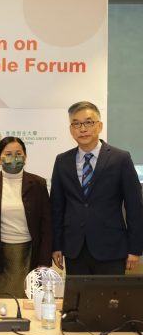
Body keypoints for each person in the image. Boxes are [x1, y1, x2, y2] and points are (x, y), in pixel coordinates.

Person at [51, 101, 143, 275]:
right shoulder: (62, 161)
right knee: (78, 301)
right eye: (76, 124)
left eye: (88, 122)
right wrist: (57, 245)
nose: (82, 129)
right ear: (71, 129)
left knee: (110, 302)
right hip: (74, 248)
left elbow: (134, 206)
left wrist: (135, 248)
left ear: (99, 126)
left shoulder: (120, 158)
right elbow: (57, 207)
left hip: (111, 247)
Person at [0, 137, 52, 298]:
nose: (14, 158)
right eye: (8, 154)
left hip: (30, 253)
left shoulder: (38, 183)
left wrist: (44, 260)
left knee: (29, 301)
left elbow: (47, 224)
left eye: (18, 153)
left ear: (25, 156)